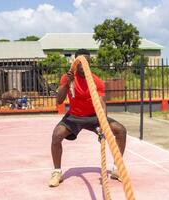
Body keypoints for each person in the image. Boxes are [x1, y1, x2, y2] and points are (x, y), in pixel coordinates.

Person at [49, 49, 127, 187]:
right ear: (75, 63)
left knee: (120, 130)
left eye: (87, 63)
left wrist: (103, 123)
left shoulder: (96, 81)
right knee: (56, 135)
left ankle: (117, 169)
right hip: (74, 117)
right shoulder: (67, 78)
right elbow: (59, 101)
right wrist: (67, 83)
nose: (83, 66)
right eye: (80, 63)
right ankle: (57, 172)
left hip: (93, 117)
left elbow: (102, 104)